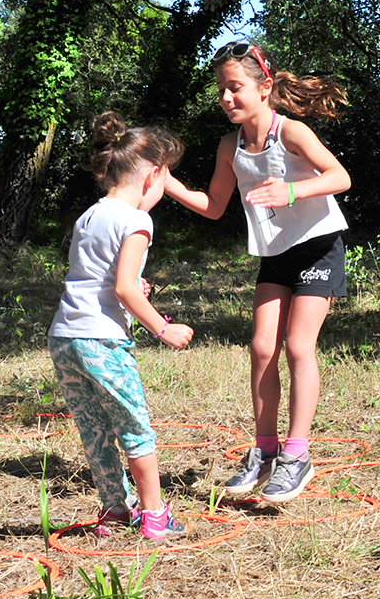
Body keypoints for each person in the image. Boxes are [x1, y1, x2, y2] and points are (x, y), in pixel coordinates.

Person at [164, 42, 352, 503]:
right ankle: (265, 450)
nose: (227, 98)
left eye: (235, 87)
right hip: (276, 254)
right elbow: (212, 207)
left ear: (264, 88)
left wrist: (291, 191)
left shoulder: (293, 133)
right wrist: (167, 184)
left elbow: (340, 177)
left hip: (318, 248)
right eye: (221, 90)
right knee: (261, 346)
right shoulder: (230, 146)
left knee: (297, 345)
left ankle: (297, 454)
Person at [49, 112, 194, 540]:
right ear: (151, 176)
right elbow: (124, 288)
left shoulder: (89, 216)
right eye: (166, 183)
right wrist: (162, 327)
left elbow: (95, 275)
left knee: (94, 430)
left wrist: (132, 287)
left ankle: (114, 510)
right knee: (134, 428)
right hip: (102, 342)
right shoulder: (137, 220)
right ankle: (154, 515)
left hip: (65, 338)